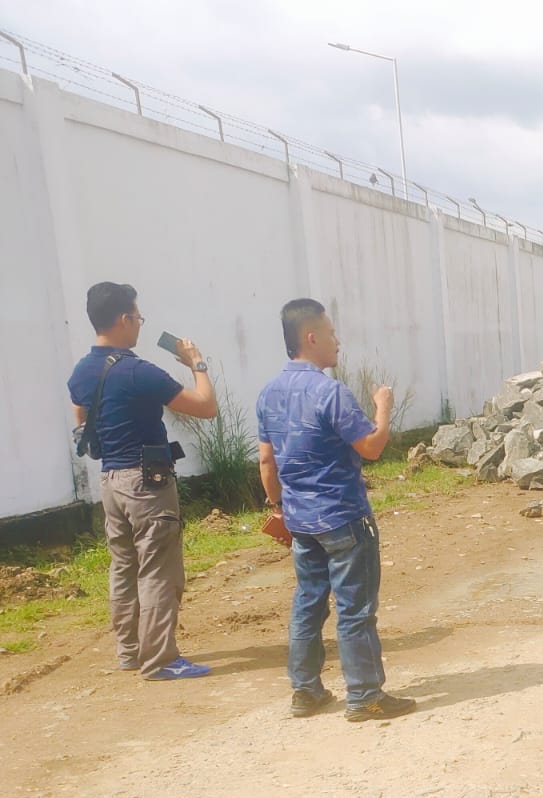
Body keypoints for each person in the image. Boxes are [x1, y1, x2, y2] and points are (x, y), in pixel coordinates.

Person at [256, 299, 416, 722]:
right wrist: (383, 406)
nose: (337, 341)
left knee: (308, 603)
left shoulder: (269, 393)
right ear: (311, 338)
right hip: (343, 516)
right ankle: (365, 696)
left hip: (300, 520)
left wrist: (279, 507)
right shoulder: (331, 392)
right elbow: (372, 446)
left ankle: (305, 692)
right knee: (355, 608)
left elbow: (266, 462)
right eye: (331, 333)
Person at [67, 281, 218, 680]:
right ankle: (161, 660)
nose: (139, 325)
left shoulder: (82, 370)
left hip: (111, 482)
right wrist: (196, 362)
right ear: (124, 319)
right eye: (138, 317)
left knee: (123, 569)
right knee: (158, 571)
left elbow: (80, 418)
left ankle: (130, 651)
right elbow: (206, 407)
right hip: (147, 485)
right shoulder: (139, 371)